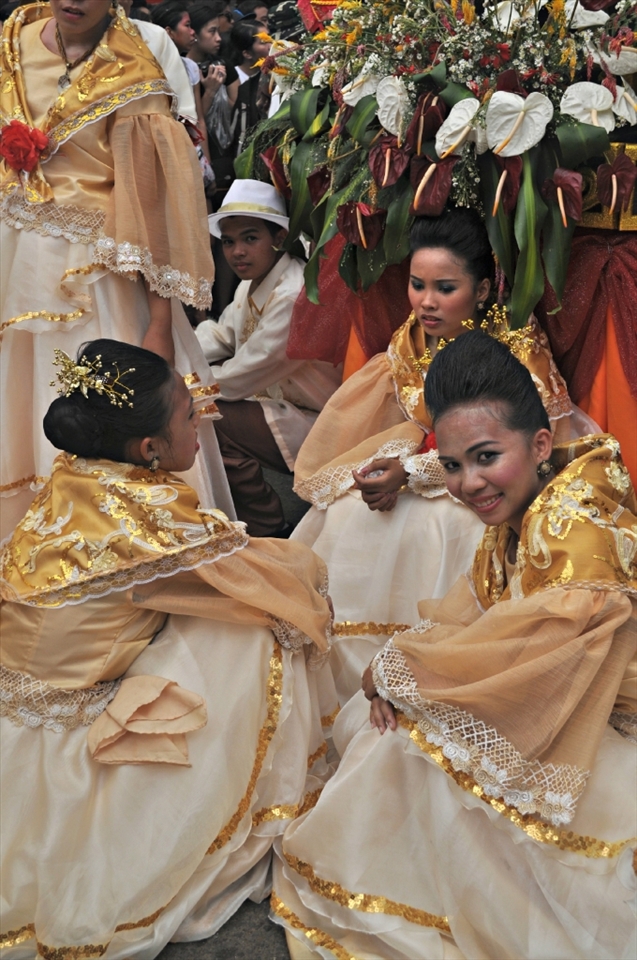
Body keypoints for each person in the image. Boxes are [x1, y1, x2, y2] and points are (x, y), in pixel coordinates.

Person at [273, 331, 637, 960]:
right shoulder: (525, 511)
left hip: (608, 724)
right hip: (570, 699)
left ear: (540, 444)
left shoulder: (574, 531)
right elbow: (472, 619)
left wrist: (403, 674)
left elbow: (531, 660)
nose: (469, 483)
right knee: (395, 729)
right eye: (452, 465)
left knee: (411, 744)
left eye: (486, 457)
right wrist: (403, 671)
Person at [0, 339, 338, 957]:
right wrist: (312, 580)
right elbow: (261, 574)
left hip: (16, 695)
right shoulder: (149, 510)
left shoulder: (76, 471)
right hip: (73, 717)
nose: (202, 416)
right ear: (149, 449)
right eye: (188, 412)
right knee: (263, 630)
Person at [291, 207, 595, 705]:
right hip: (438, 465)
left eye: (445, 288)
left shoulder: (515, 343)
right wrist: (394, 466)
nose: (426, 302)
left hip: (500, 483)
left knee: (448, 529)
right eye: (417, 285)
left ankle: (428, 662)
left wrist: (412, 473)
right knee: (347, 512)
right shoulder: (414, 338)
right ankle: (344, 675)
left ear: (482, 289)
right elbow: (410, 422)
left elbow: (520, 451)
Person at [0, 0, 233, 540]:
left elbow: (150, 197)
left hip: (101, 276)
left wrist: (159, 323)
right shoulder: (12, 41)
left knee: (115, 420)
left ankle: (111, 554)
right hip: (14, 268)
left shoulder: (140, 52)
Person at [196, 179, 342, 537]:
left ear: (279, 237)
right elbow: (221, 335)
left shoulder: (293, 294)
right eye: (228, 242)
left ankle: (269, 526)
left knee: (205, 411)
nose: (237, 252)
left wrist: (182, 383)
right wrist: (173, 354)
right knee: (202, 407)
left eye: (250, 238)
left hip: (320, 422)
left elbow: (241, 376)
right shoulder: (253, 282)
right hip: (279, 406)